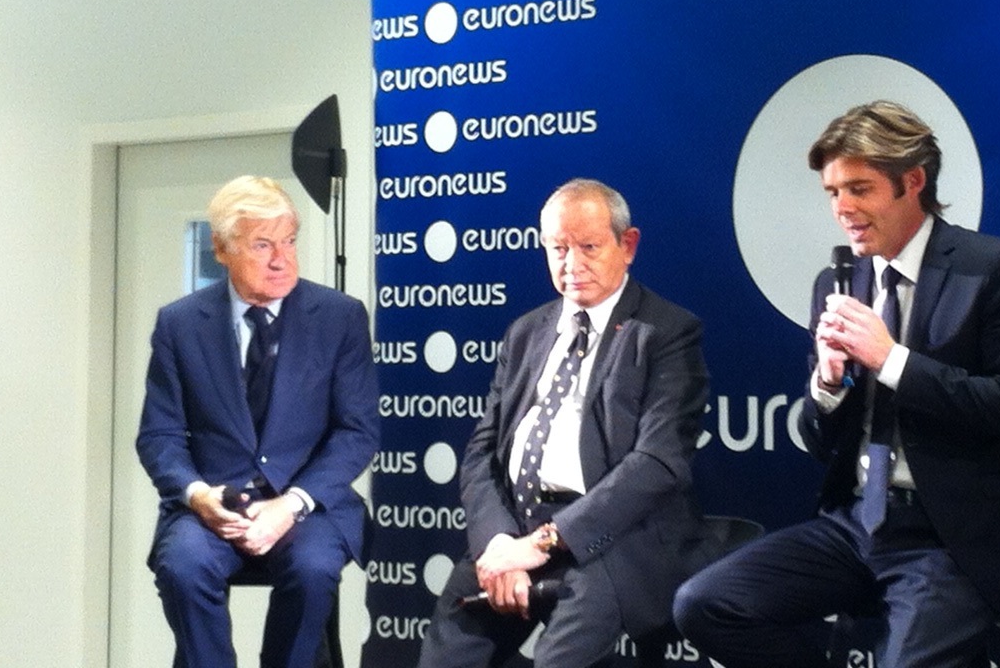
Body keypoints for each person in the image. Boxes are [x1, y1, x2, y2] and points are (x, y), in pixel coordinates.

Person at [675, 101, 1000, 668]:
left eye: (859, 189)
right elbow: (821, 443)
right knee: (706, 604)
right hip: (855, 526)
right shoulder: (837, 281)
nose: (843, 209)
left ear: (913, 181)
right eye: (833, 192)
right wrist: (828, 383)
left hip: (951, 538)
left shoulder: (995, 270)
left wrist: (893, 360)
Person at [416, 178, 710, 668]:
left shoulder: (665, 332)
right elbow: (482, 452)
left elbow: (658, 463)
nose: (572, 265)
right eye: (557, 248)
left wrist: (544, 543)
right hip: (514, 531)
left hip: (607, 541)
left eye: (589, 247)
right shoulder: (526, 333)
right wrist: (501, 543)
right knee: (448, 655)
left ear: (628, 245)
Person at [136, 175, 380, 668]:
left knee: (313, 570)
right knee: (183, 566)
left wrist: (292, 503)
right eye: (262, 244)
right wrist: (198, 495)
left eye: (289, 241)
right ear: (221, 249)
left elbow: (357, 431)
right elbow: (159, 436)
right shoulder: (179, 324)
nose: (281, 259)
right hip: (212, 506)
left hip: (306, 503)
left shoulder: (339, 317)